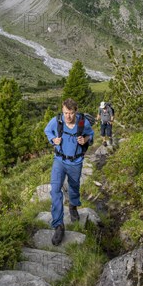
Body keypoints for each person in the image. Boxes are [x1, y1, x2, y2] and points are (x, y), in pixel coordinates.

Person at [44, 98, 94, 246]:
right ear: (62, 110)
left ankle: (73, 206)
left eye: (71, 113)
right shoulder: (57, 121)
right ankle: (59, 225)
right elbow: (47, 130)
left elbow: (91, 135)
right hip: (59, 160)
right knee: (55, 190)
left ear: (75, 112)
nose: (68, 117)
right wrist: (53, 139)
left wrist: (85, 140)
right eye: (66, 113)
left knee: (73, 187)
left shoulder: (82, 122)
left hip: (76, 162)